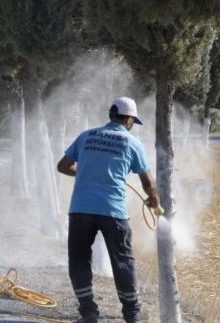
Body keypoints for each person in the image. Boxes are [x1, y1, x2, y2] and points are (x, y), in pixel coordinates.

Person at [57, 97, 160, 323]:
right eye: (133, 120)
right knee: (123, 261)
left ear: (111, 115)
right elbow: (148, 181)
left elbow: (62, 166)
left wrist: (86, 173)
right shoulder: (131, 142)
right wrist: (154, 201)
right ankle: (133, 315)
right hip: (112, 210)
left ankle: (88, 313)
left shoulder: (87, 136)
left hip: (81, 209)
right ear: (129, 119)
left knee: (79, 260)